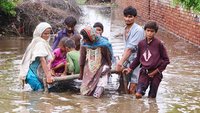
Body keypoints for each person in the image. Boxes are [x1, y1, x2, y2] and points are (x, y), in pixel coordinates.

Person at [123, 20, 170, 99]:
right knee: (138, 94)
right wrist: (130, 68)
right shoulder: (141, 43)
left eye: (152, 31)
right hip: (144, 72)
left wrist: (155, 72)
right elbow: (138, 59)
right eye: (148, 31)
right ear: (144, 31)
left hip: (156, 73)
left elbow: (166, 60)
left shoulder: (159, 44)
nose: (149, 33)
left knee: (152, 97)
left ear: (155, 32)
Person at [115, 6, 145, 94]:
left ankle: (133, 105)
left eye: (130, 17)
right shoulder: (125, 29)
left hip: (137, 61)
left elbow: (130, 49)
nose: (128, 19)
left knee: (133, 87)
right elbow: (126, 48)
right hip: (128, 60)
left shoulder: (138, 30)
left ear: (135, 17)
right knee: (122, 85)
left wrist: (120, 63)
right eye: (126, 16)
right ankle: (125, 104)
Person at [79, 26, 113, 98]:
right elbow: (82, 59)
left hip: (101, 66)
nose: (84, 40)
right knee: (85, 92)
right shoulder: (84, 44)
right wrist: (81, 73)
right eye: (83, 38)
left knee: (99, 89)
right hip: (89, 67)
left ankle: (97, 99)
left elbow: (108, 58)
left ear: (91, 37)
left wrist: (109, 68)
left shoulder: (103, 45)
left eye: (86, 38)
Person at [19, 22, 53, 91]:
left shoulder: (39, 42)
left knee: (40, 93)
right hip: (32, 75)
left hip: (34, 74)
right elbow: (42, 60)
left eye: (49, 33)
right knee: (39, 92)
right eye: (45, 33)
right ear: (40, 33)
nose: (47, 35)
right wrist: (48, 76)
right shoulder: (40, 43)